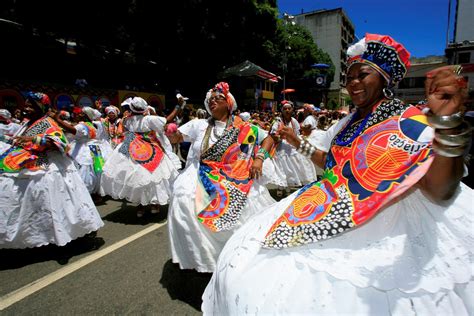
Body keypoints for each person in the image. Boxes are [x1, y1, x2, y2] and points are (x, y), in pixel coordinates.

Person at [202, 34, 473, 315]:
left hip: (390, 221)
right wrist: (296, 142)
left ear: (384, 79)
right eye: (349, 75)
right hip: (334, 204)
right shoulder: (346, 123)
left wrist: (445, 123)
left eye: (363, 74)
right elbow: (330, 163)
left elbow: (440, 189)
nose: (353, 82)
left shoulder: (408, 121)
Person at [167, 82, 276, 273]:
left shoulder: (244, 128)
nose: (213, 101)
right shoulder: (198, 125)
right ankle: (208, 258)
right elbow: (177, 138)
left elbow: (267, 139)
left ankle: (238, 256)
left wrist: (259, 158)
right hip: (203, 174)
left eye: (218, 98)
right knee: (185, 198)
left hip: (236, 175)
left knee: (245, 210)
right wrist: (172, 130)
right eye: (210, 100)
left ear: (229, 103)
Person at [0, 92, 104, 248]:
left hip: (48, 163)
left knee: (53, 197)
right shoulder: (28, 123)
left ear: (40, 107)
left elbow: (59, 143)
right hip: (28, 159)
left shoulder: (47, 122)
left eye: (30, 105)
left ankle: (63, 231)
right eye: (26, 104)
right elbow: (19, 140)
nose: (26, 108)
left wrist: (34, 139)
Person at [99, 97, 180, 217]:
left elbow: (126, 130)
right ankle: (153, 204)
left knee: (134, 175)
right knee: (153, 175)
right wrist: (178, 107)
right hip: (148, 145)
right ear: (144, 109)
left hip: (131, 144)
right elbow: (166, 120)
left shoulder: (127, 120)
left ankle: (140, 207)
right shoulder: (148, 119)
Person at [269, 100, 317, 197]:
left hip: (292, 146)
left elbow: (297, 133)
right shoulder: (278, 121)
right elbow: (273, 133)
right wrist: (278, 136)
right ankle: (280, 187)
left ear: (292, 110)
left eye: (289, 108)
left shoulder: (294, 121)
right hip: (281, 146)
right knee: (282, 167)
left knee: (293, 167)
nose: (287, 110)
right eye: (285, 109)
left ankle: (288, 186)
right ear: (282, 110)